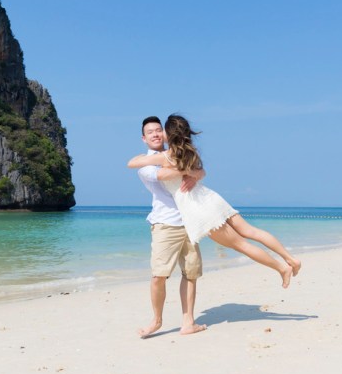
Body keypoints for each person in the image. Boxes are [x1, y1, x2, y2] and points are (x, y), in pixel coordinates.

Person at [128, 114, 301, 289]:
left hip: (198, 208)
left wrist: (179, 169)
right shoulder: (190, 152)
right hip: (210, 198)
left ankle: (282, 268)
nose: (159, 134)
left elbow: (132, 163)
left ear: (170, 134)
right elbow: (199, 171)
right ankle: (291, 259)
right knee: (250, 231)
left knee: (241, 245)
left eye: (162, 130)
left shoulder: (165, 156)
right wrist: (188, 171)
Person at [133, 116, 207, 339]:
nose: (155, 134)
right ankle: (156, 321)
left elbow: (202, 170)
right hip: (165, 224)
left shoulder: (177, 154)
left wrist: (196, 174)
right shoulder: (146, 165)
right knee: (159, 275)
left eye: (158, 130)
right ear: (144, 138)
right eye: (150, 132)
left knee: (191, 273)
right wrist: (190, 171)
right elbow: (163, 174)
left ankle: (188, 322)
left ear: (165, 134)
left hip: (190, 221)